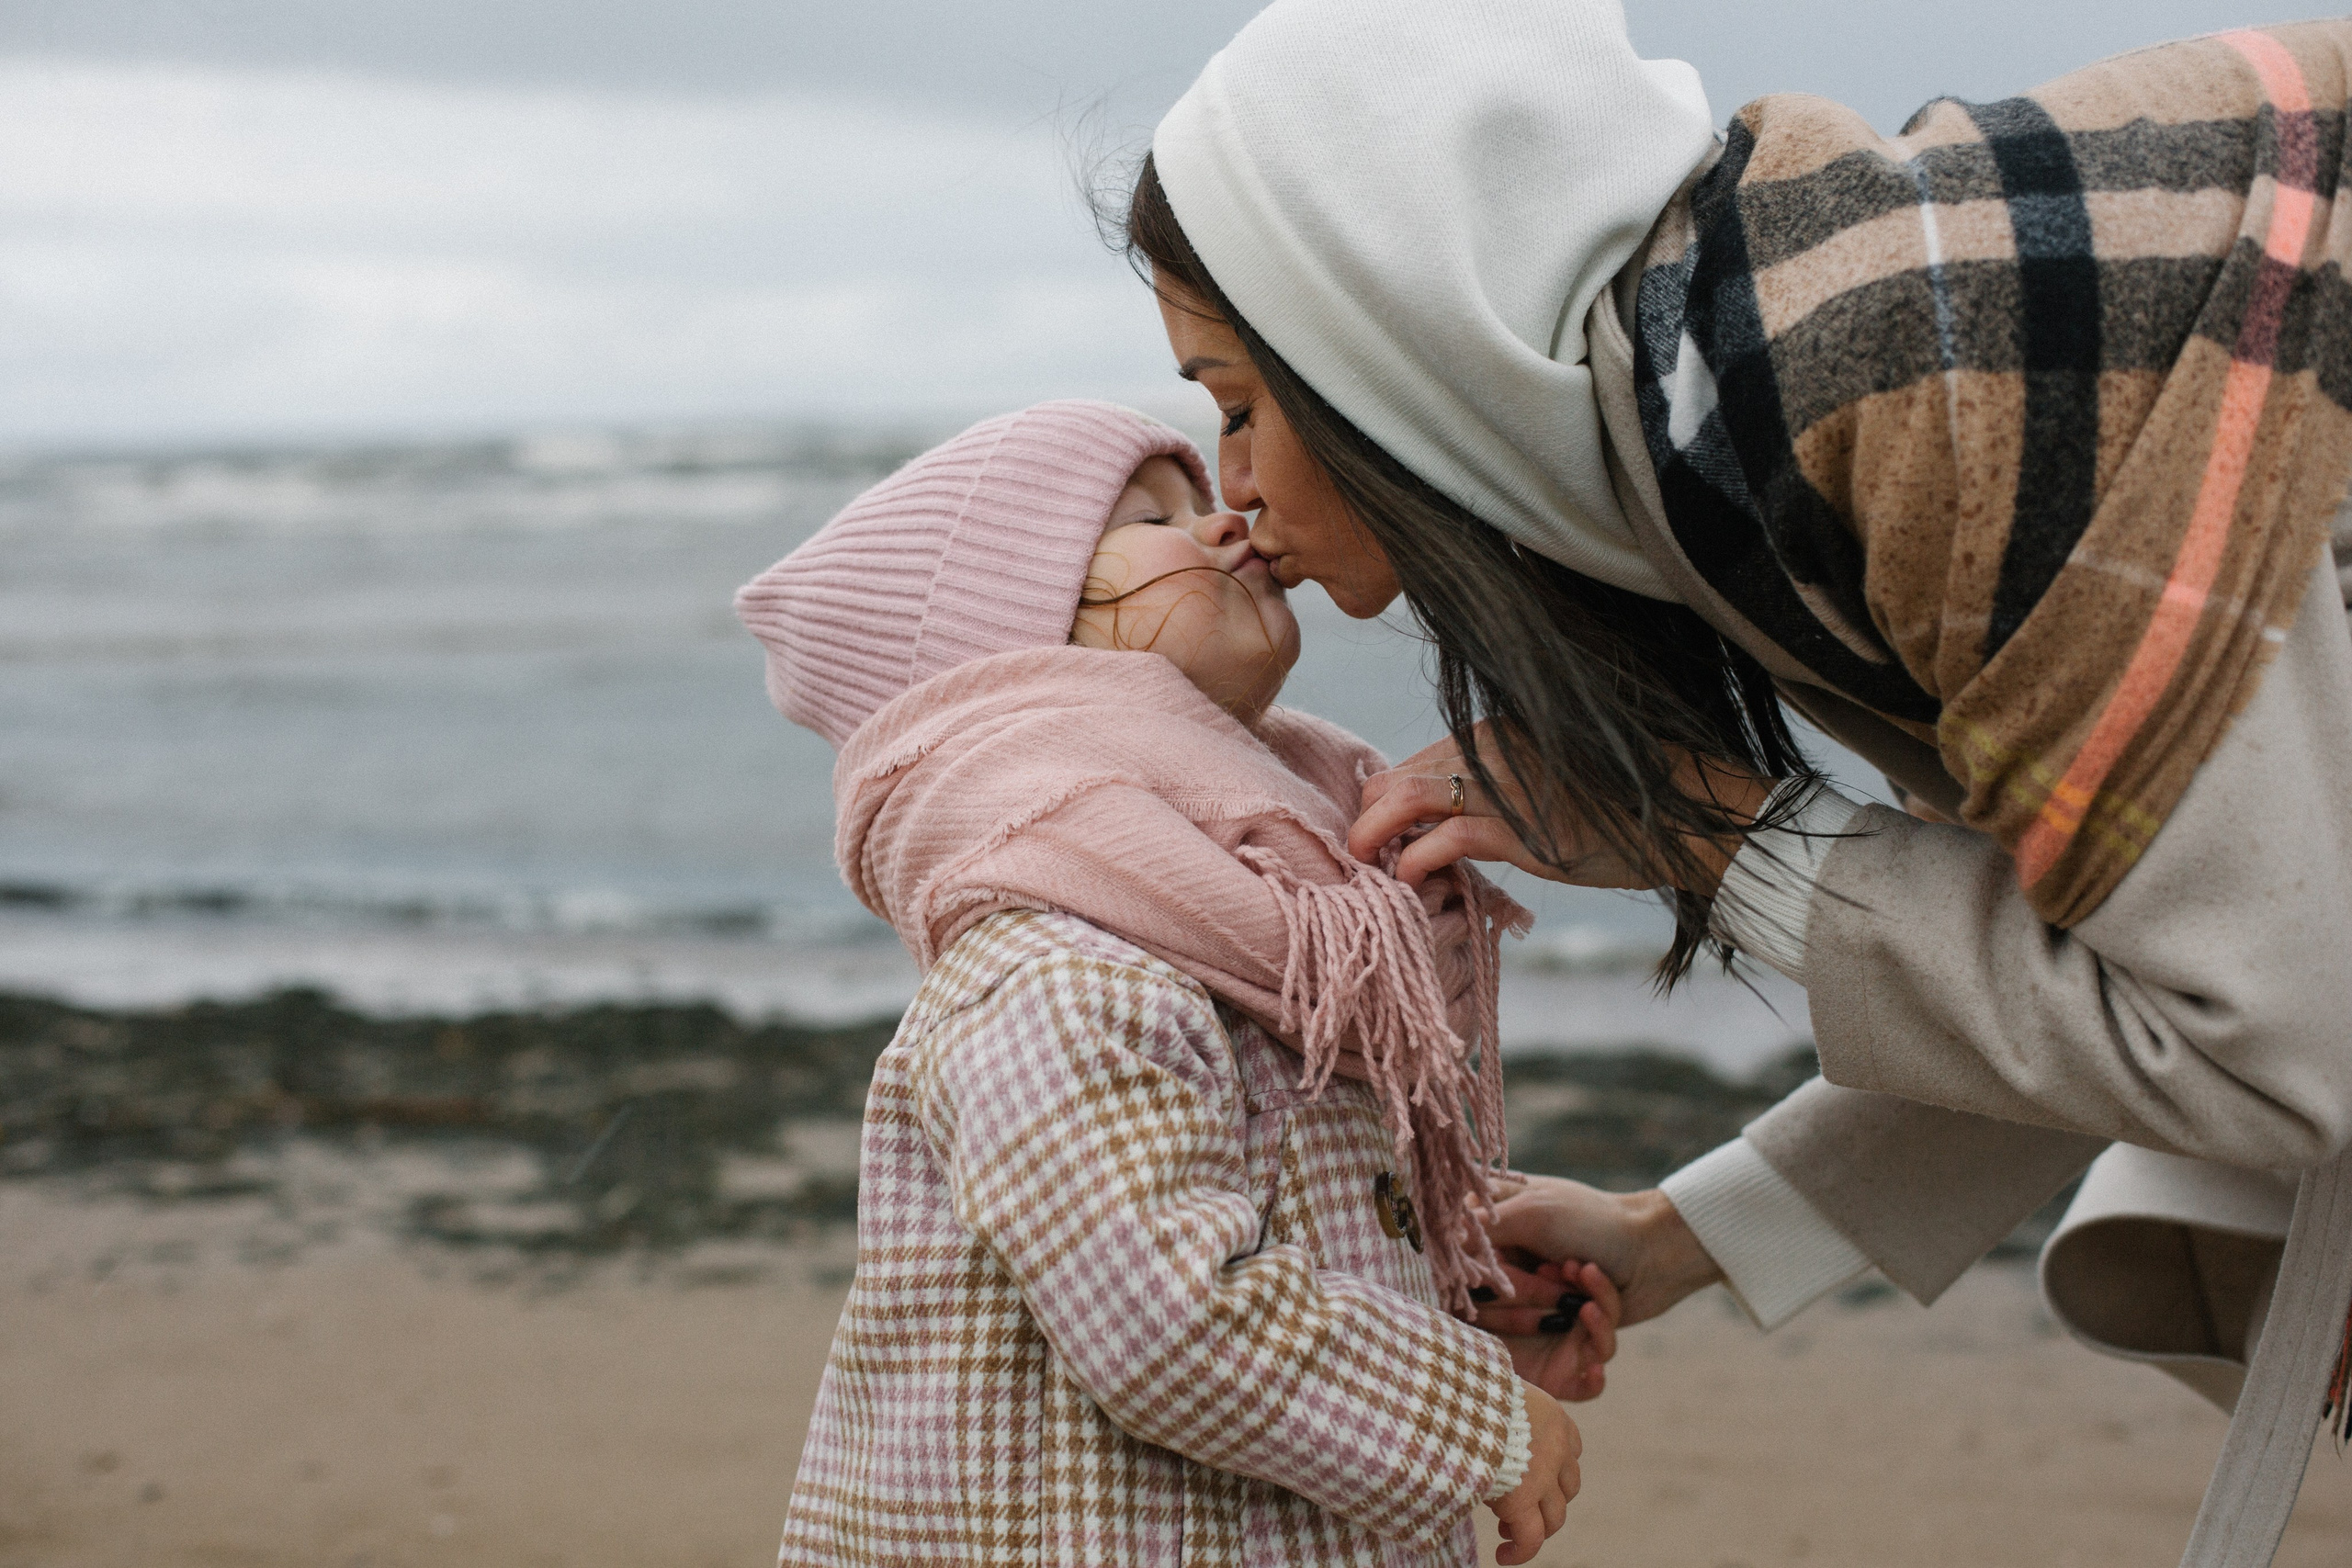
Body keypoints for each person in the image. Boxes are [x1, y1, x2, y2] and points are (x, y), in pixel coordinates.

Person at [1126, 5, 2352, 1564]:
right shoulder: (1744, 383)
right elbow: (2139, 948)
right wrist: (1680, 1235)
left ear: (1386, 332)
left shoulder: (1896, 369)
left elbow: (2263, 1038)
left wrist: (1715, 833)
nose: (1228, 492)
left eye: (1236, 403)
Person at [734, 400, 1610, 1566]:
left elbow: (1254, 1230)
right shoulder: (1051, 966)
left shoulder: (1259, 915)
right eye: (1154, 517)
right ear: (1017, 654)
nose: (1231, 518)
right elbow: (1158, 1314)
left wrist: (1444, 1301)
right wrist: (1472, 1425)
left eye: (1203, 498)